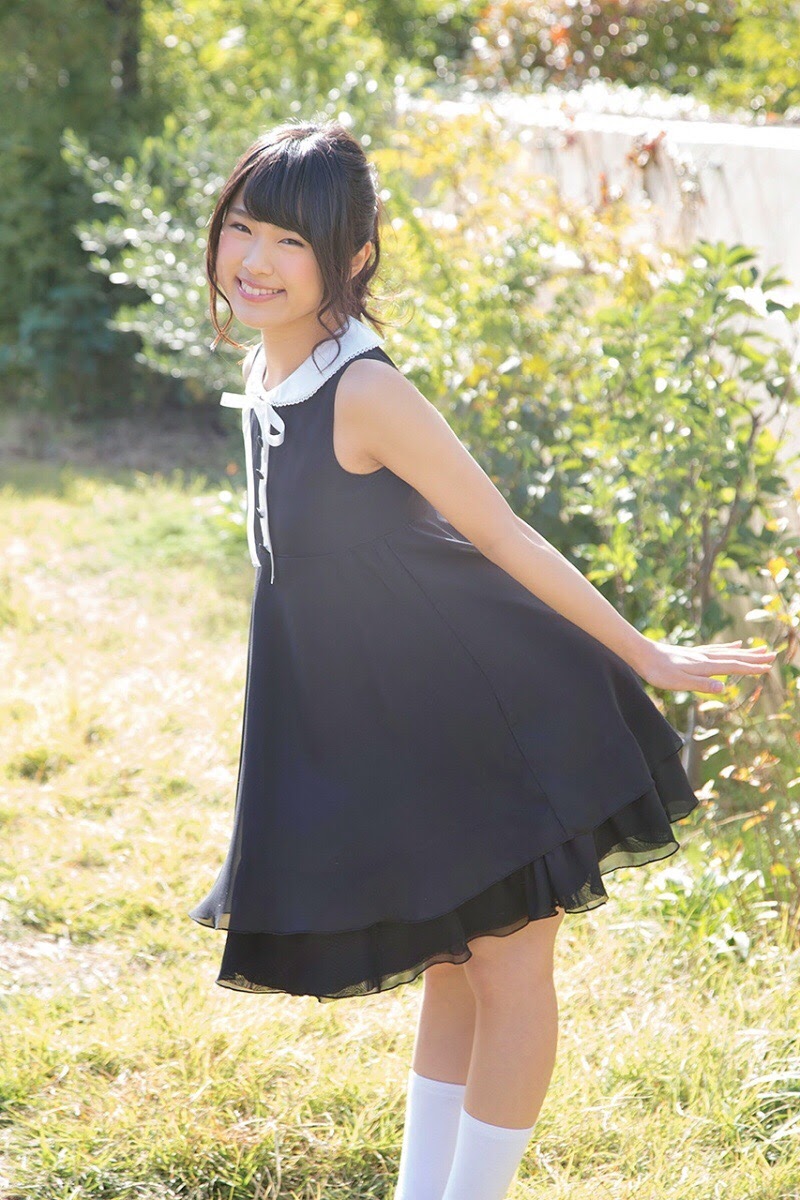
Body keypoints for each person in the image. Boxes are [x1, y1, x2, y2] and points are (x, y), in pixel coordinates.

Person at [188, 117, 776, 1200]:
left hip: (479, 707)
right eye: (242, 228)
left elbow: (502, 534)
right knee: (451, 961)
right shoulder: (271, 372)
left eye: (290, 241)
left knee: (504, 967)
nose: (255, 260)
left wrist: (643, 653)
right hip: (384, 717)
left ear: (353, 258)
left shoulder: (363, 391)